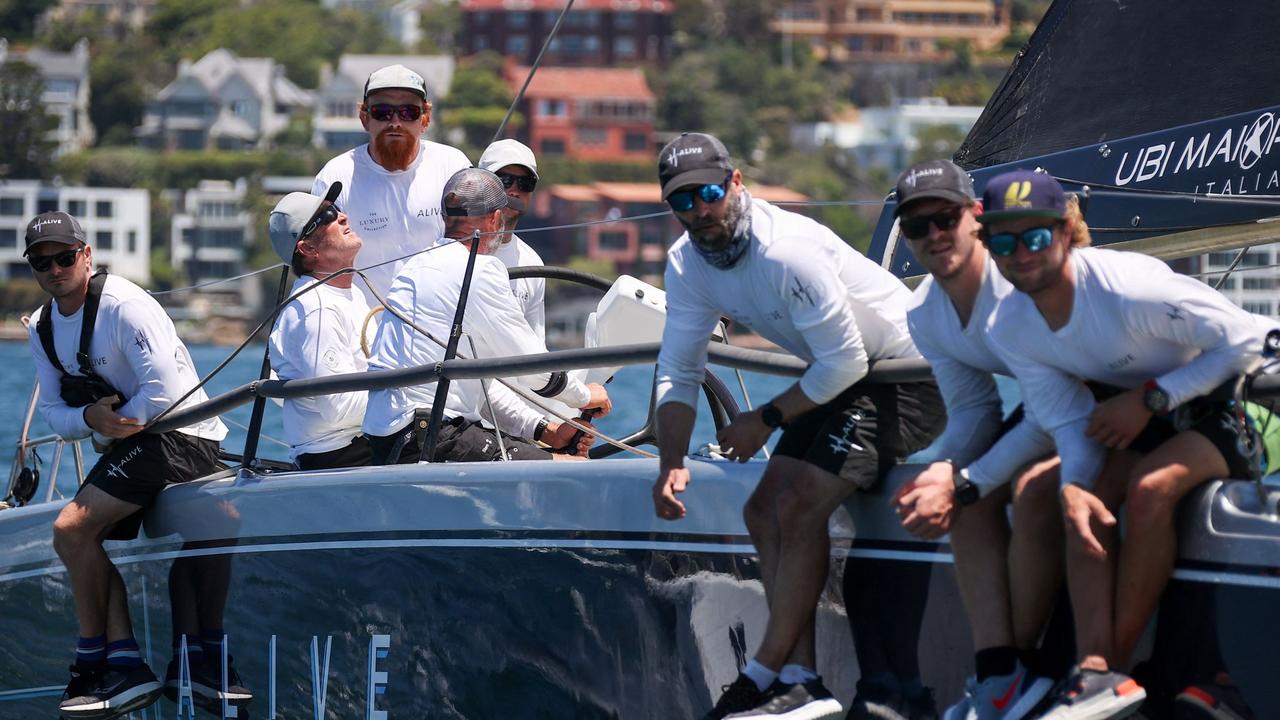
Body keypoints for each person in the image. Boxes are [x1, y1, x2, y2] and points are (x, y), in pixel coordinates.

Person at [648, 133, 945, 720]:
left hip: (907, 378)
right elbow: (679, 370)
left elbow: (848, 360)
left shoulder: (787, 251)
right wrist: (670, 463)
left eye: (709, 192)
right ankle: (802, 682)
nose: (700, 210)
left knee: (800, 503)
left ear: (735, 184)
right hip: (840, 381)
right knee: (763, 509)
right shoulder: (686, 263)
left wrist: (765, 418)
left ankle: (764, 671)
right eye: (684, 202)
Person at [978, 170, 1277, 719]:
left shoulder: (1126, 289)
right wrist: (1073, 484)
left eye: (1035, 237)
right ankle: (1093, 676)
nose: (1020, 253)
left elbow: (1246, 340)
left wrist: (1150, 401)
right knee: (1070, 495)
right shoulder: (1009, 327)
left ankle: (1106, 668)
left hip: (1257, 390)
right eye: (1002, 241)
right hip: (1167, 405)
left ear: (1066, 233)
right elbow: (1068, 422)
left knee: (1149, 488)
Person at [24, 211, 227, 718]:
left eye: (65, 257)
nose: (55, 269)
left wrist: (113, 426)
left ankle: (97, 661)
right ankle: (123, 662)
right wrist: (90, 417)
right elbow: (53, 411)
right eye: (41, 262)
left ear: (86, 255)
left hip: (183, 435)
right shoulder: (43, 327)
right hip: (136, 442)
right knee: (80, 537)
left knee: (70, 530)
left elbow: (167, 394)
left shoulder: (125, 305)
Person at [889, 160, 1063, 720]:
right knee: (965, 499)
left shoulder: (1018, 285)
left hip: (1105, 399)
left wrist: (959, 483)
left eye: (945, 218)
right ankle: (998, 674)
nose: (934, 235)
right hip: (1054, 408)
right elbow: (974, 409)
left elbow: (1046, 413)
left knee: (1020, 489)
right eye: (918, 227)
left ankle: (1034, 665)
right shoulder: (924, 314)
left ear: (977, 217)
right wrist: (943, 470)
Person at [362, 168, 611, 464]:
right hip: (432, 433)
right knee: (572, 469)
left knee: (551, 456)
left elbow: (483, 384)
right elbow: (535, 369)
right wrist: (585, 396)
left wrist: (547, 431)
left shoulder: (414, 266)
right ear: (495, 219)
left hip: (389, 437)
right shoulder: (479, 269)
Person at [313, 63, 472, 308]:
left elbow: (476, 249)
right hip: (365, 334)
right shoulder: (335, 176)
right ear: (365, 118)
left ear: (425, 119)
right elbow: (322, 265)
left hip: (440, 331)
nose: (395, 122)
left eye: (408, 112)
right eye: (383, 112)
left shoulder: (454, 166)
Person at [266, 182, 374, 469]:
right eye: (327, 216)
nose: (342, 217)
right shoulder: (317, 308)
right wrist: (414, 392)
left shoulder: (349, 294)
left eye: (337, 210)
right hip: (339, 454)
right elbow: (338, 408)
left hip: (363, 441)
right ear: (308, 248)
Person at [478, 138, 546, 339]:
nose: (514, 190)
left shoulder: (533, 264)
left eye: (525, 183)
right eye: (504, 180)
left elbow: (536, 343)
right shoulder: (451, 248)